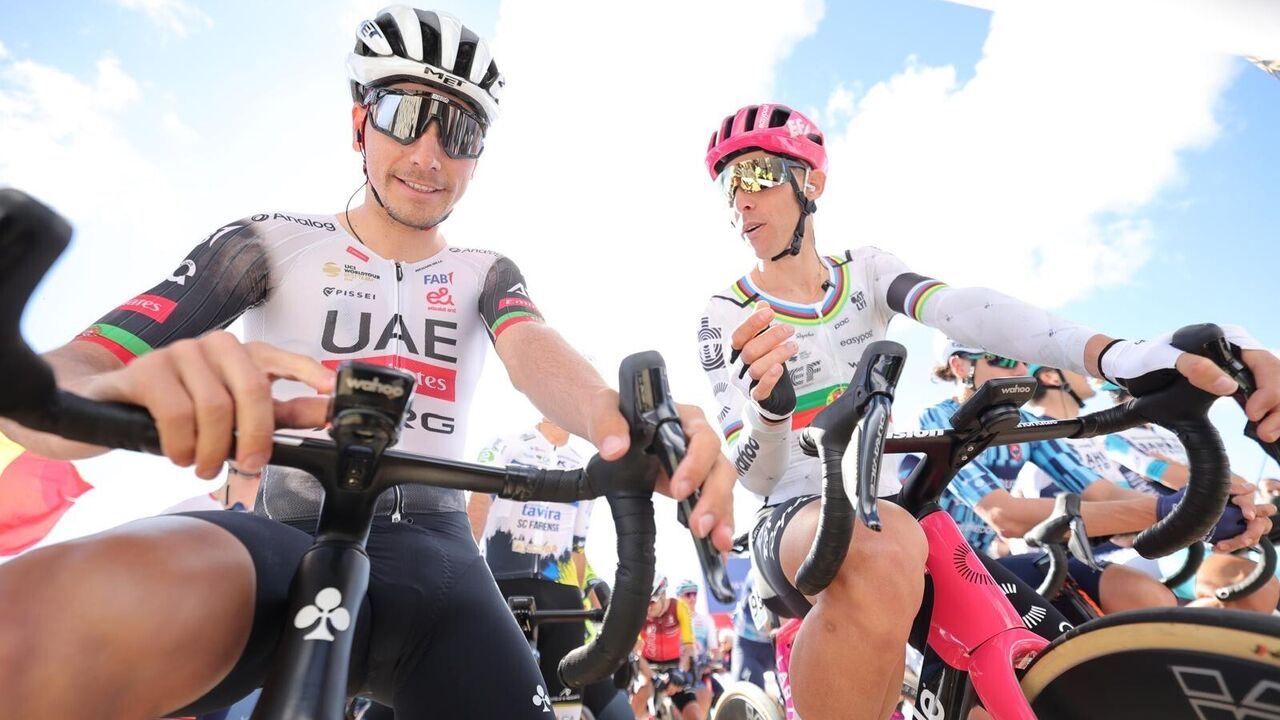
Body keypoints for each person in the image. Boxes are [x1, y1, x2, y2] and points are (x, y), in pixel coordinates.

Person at [0, 8, 734, 718]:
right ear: (360, 121)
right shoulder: (270, 239)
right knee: (29, 631)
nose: (429, 154)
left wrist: (618, 423)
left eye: (460, 130)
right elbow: (66, 374)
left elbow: (531, 348)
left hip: (442, 565)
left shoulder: (484, 271)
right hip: (282, 532)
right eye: (406, 114)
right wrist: (114, 388)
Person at [696, 102, 1280, 720]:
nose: (741, 200)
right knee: (885, 540)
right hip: (795, 517)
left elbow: (968, 311)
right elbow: (757, 475)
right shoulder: (725, 312)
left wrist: (1120, 355)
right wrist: (768, 414)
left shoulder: (864, 271)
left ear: (810, 182)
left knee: (1029, 664)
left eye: (756, 174)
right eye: (728, 186)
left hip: (904, 520)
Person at [921, 340, 1183, 618]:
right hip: (932, 572)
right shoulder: (936, 418)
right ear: (960, 366)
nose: (1021, 369)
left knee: (1143, 594)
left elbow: (1101, 492)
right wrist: (1156, 512)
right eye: (1004, 360)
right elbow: (1003, 516)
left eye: (1021, 359)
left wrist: (1189, 508)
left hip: (987, 563)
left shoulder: (1026, 420)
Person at [469, 417, 593, 720]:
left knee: (565, 706)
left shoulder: (583, 465)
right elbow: (478, 502)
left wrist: (584, 602)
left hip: (561, 595)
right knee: (495, 693)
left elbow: (578, 546)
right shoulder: (507, 444)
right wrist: (468, 568)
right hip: (506, 580)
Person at [634, 575, 701, 720]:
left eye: (652, 602)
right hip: (648, 667)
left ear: (663, 595)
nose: (647, 607)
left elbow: (689, 647)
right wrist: (652, 678)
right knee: (639, 698)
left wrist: (681, 672)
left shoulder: (679, 607)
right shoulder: (638, 614)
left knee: (694, 714)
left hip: (675, 665)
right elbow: (635, 653)